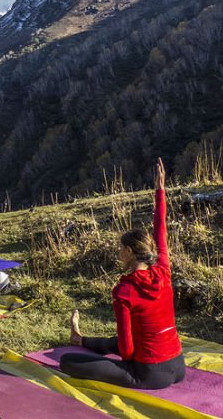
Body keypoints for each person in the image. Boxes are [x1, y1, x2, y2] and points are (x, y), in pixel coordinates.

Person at [60, 158, 185, 389]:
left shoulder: (124, 291)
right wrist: (160, 190)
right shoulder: (163, 269)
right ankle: (79, 339)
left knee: (68, 362)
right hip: (178, 366)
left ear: (128, 252)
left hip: (150, 374)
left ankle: (79, 342)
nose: (118, 252)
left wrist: (128, 367)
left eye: (120, 249)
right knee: (116, 342)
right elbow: (161, 230)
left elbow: (127, 349)